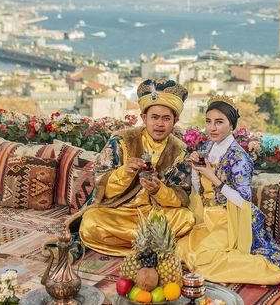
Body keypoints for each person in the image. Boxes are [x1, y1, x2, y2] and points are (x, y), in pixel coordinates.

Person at [177, 95, 280, 289]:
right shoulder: (208, 146)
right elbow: (200, 190)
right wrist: (195, 168)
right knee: (181, 249)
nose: (212, 128)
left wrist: (213, 176)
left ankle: (268, 269)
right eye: (208, 122)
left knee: (204, 259)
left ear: (231, 125)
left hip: (234, 218)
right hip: (210, 216)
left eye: (219, 122)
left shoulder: (239, 157)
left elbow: (242, 201)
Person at [66, 79, 195, 256]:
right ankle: (152, 246)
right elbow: (101, 187)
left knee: (187, 218)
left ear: (175, 120)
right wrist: (124, 173)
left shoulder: (180, 151)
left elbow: (181, 198)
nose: (159, 124)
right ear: (144, 118)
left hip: (155, 215)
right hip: (119, 212)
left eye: (166, 119)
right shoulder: (121, 140)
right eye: (154, 117)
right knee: (90, 222)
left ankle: (141, 244)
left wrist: (159, 190)